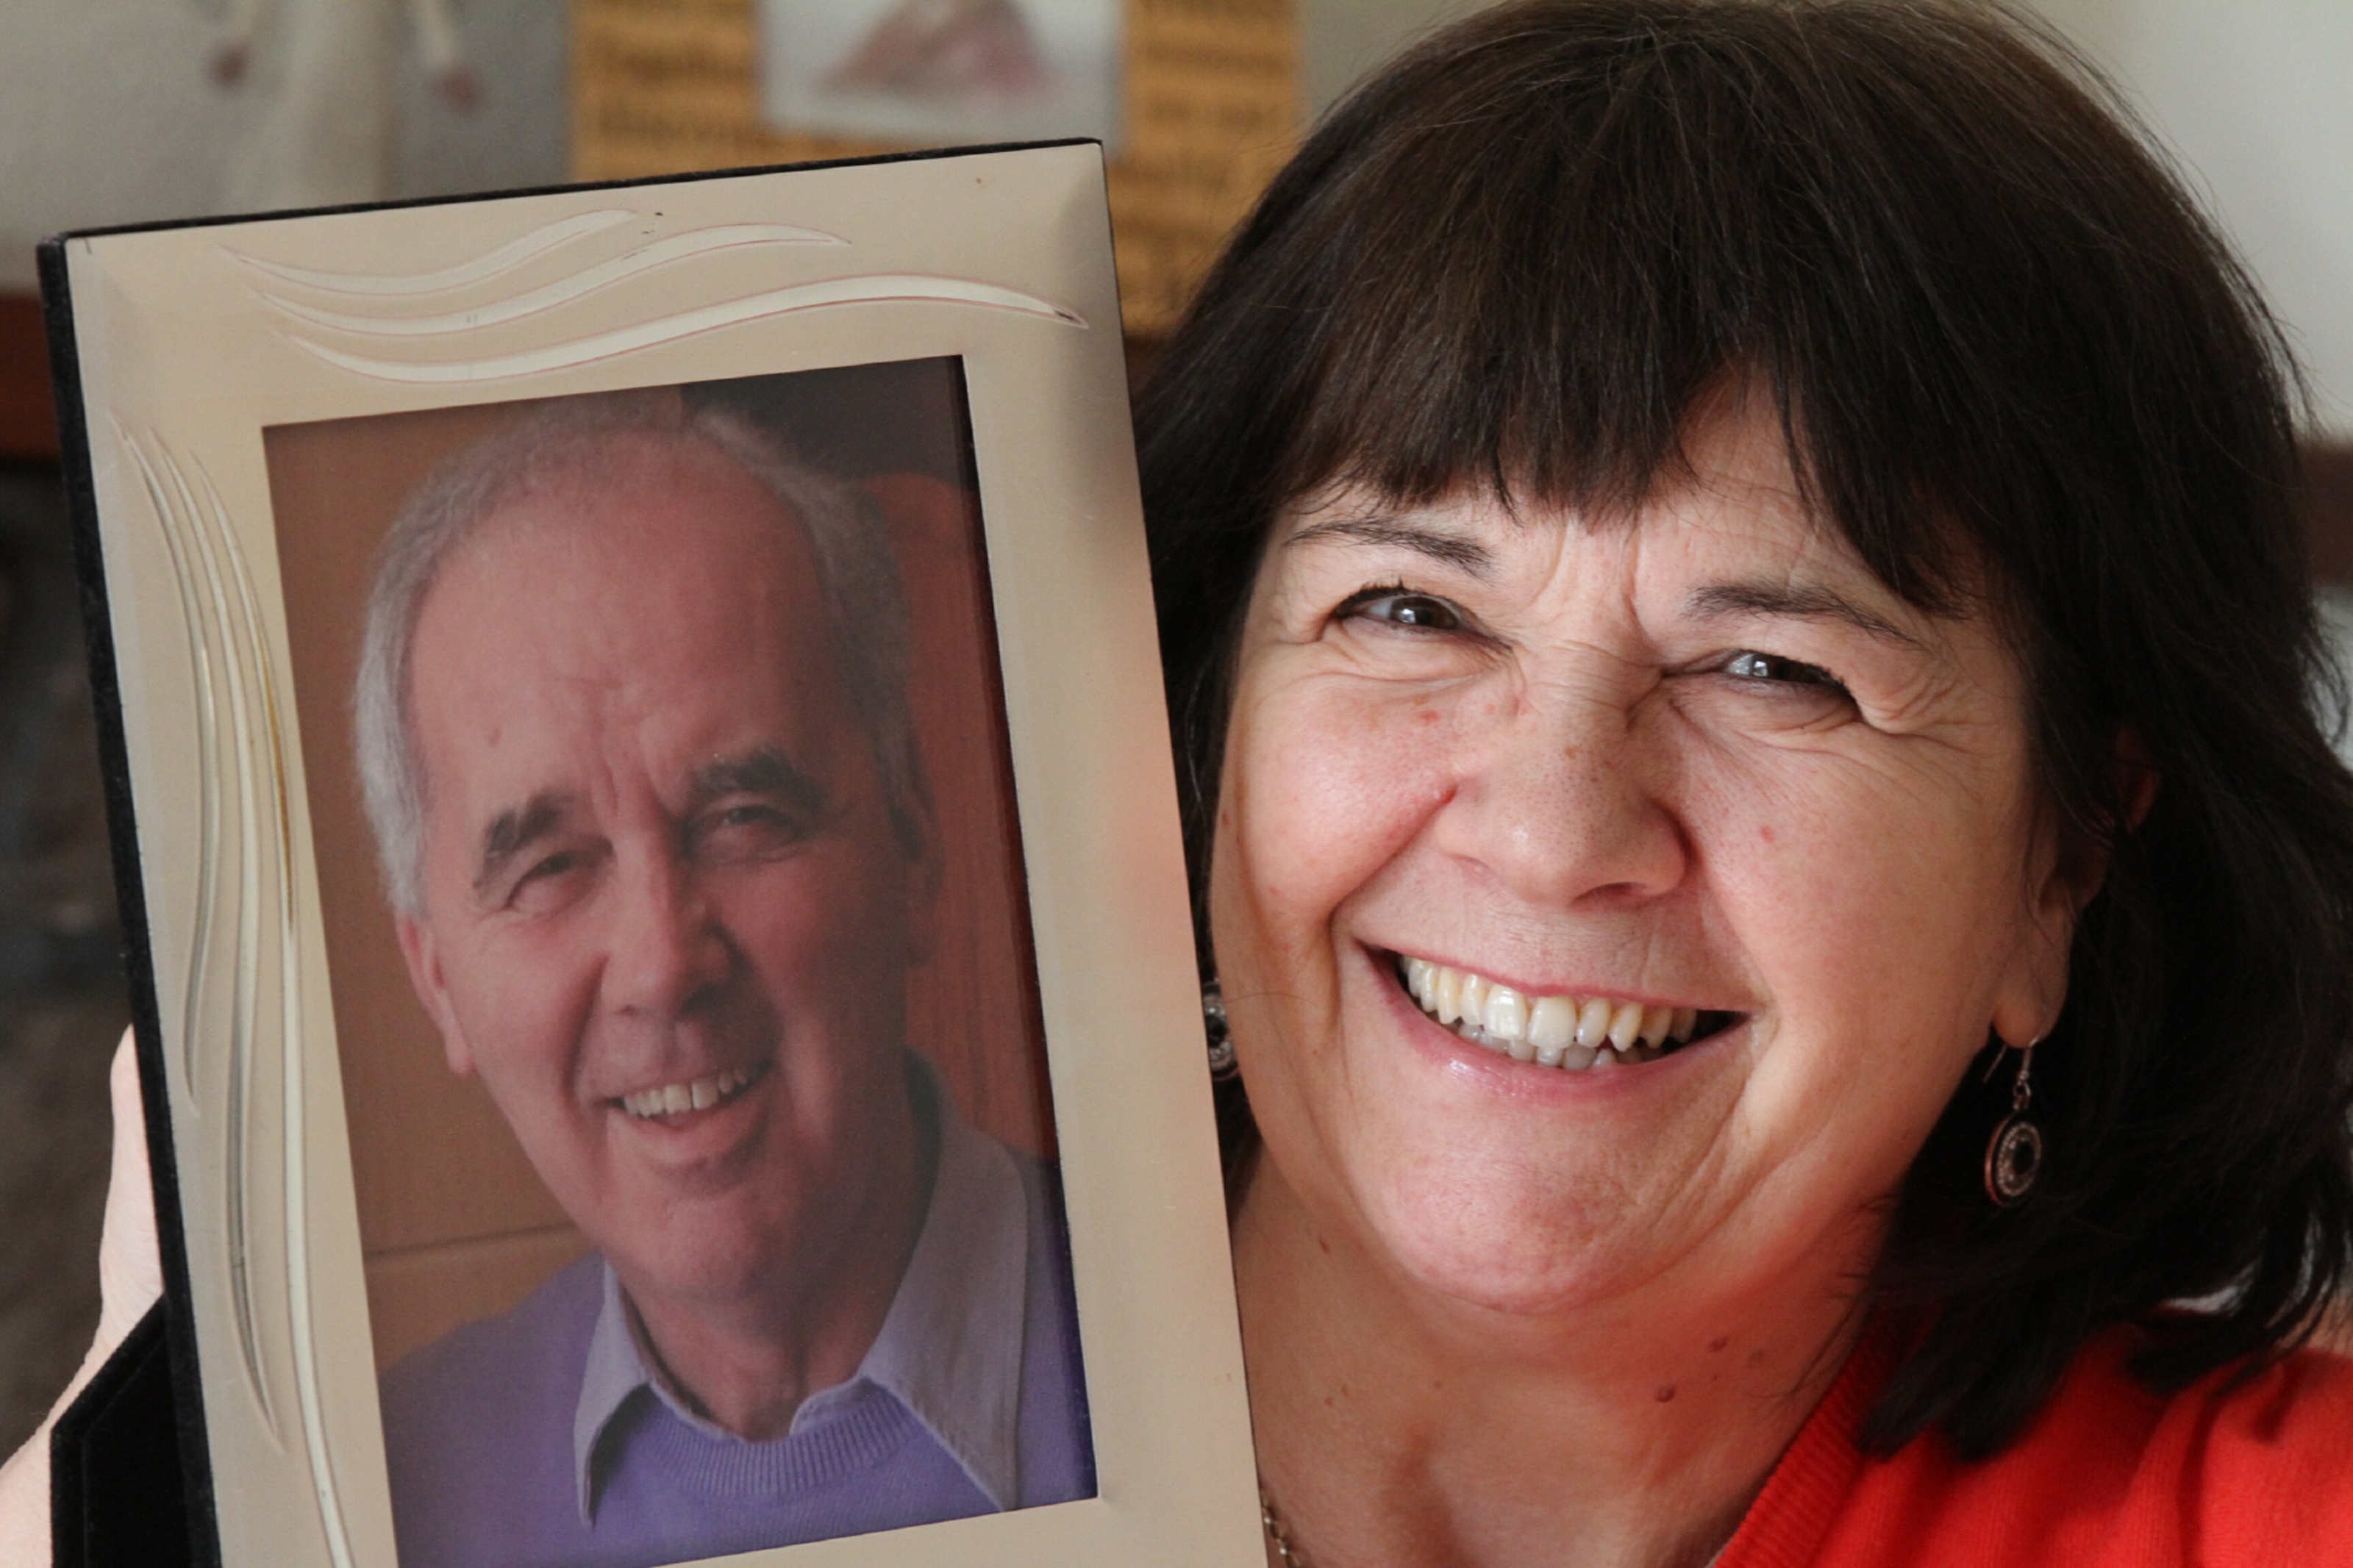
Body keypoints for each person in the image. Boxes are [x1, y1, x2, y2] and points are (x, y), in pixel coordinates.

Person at [1137, 2, 2353, 1564]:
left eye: (1775, 669)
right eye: (1411, 608)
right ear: (1208, 712)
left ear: (2062, 859)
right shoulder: (772, 1433)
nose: (1550, 829)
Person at [358, 394, 1090, 1566]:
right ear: (436, 977)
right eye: (549, 866)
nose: (661, 966)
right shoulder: (383, 1483)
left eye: (746, 815)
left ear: (910, 841)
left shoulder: (1225, 1338)